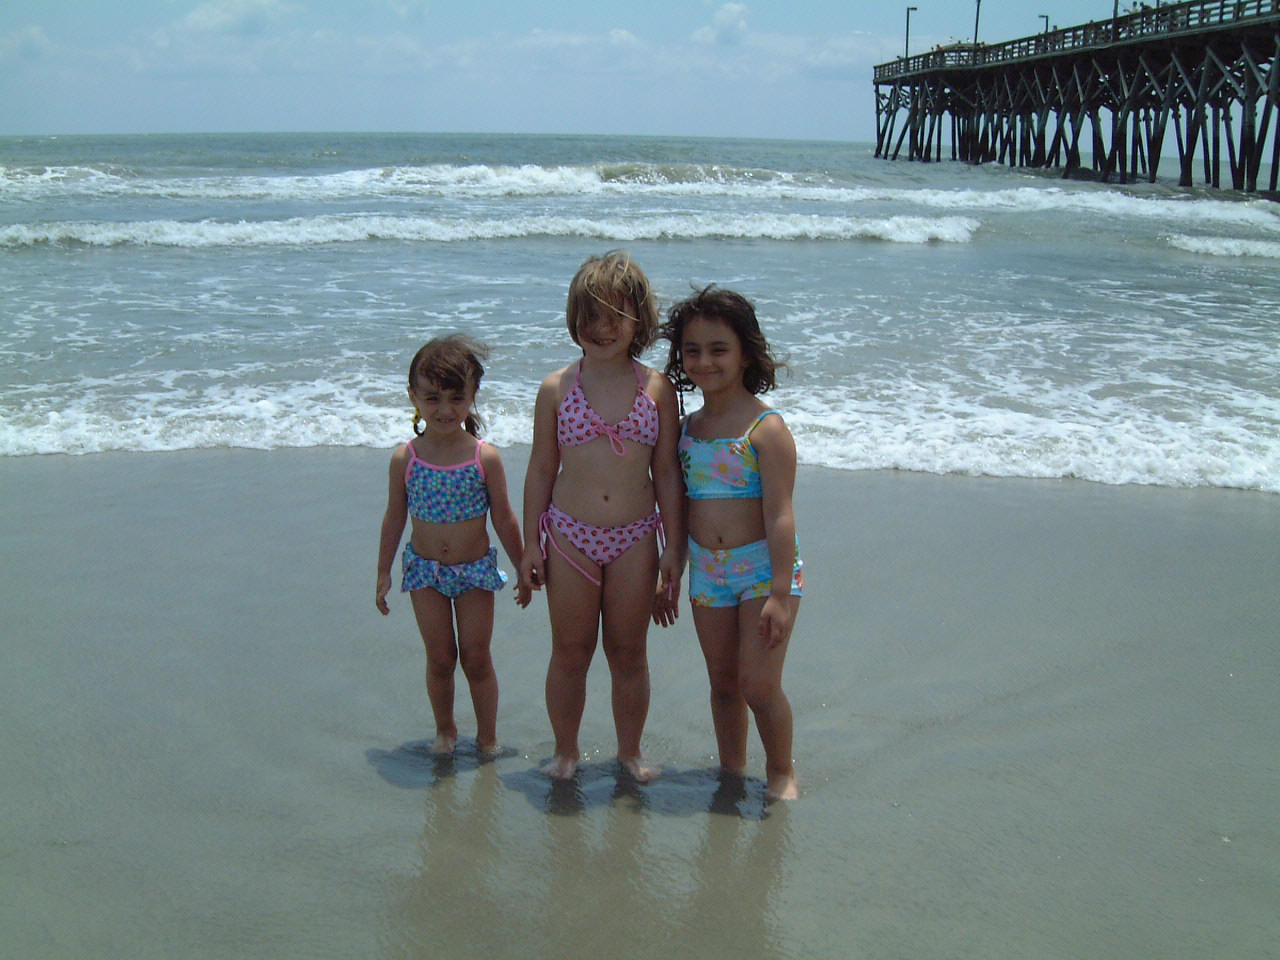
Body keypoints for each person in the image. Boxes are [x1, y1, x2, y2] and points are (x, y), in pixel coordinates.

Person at [520, 251, 685, 782]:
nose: (602, 328)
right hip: (568, 537)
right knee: (570, 650)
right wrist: (529, 544)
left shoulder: (656, 390)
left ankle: (629, 752)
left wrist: (673, 552)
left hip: (636, 538)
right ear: (574, 321)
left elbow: (666, 475)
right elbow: (541, 470)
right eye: (590, 316)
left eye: (616, 316)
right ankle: (565, 752)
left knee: (628, 651)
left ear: (639, 319)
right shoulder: (557, 389)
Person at [661, 286, 803, 801]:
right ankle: (731, 770)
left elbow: (781, 514)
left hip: (763, 571)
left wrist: (781, 594)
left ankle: (782, 771)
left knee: (758, 685)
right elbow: (677, 503)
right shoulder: (685, 429)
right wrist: (672, 561)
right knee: (723, 683)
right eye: (692, 350)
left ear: (746, 351)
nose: (704, 361)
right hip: (707, 571)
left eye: (718, 349)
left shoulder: (765, 430)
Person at [377, 334, 530, 756]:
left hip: (474, 571)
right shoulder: (405, 458)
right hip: (425, 571)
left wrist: (522, 567)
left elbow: (504, 517)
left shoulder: (485, 457)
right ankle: (445, 731)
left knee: (476, 658)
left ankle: (487, 737)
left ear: (473, 397)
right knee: (440, 658)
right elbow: (394, 518)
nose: (444, 410)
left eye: (456, 398)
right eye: (432, 398)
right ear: (413, 397)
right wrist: (382, 572)